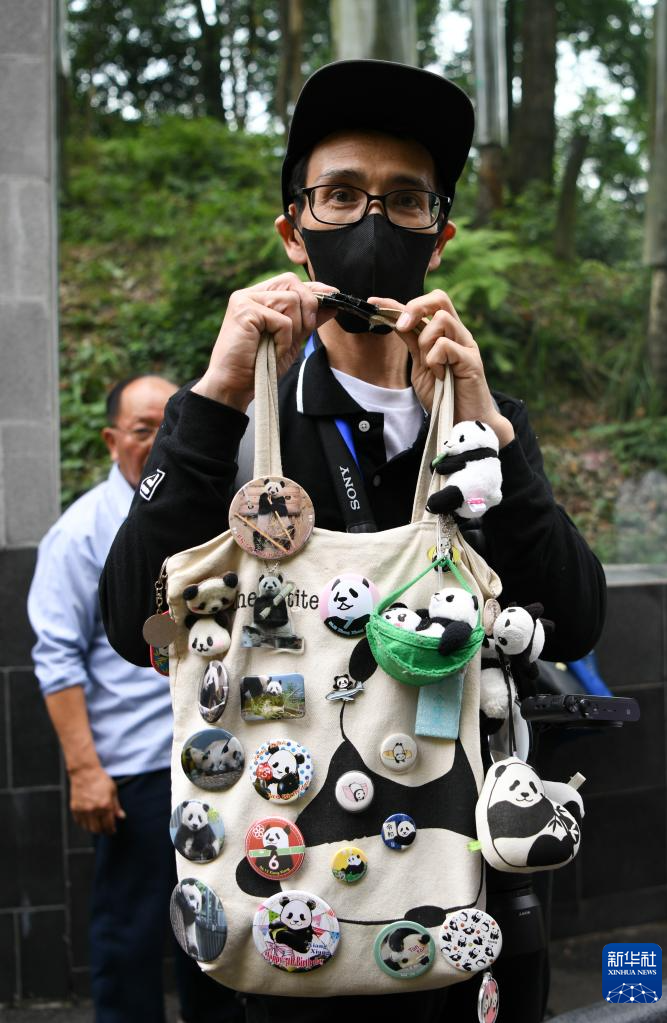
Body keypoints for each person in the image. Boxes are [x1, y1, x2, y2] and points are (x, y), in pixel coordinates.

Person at [100, 62, 606, 1023]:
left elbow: (577, 618)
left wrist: (493, 434)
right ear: (294, 230)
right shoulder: (241, 431)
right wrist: (212, 398)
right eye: (340, 194)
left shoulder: (482, 428)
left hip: (462, 912)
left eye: (406, 199)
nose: (373, 221)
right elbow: (138, 624)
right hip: (274, 911)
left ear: (439, 237)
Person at [28, 375, 243, 1023]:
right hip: (138, 772)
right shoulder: (80, 532)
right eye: (142, 429)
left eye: (165, 427)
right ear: (111, 439)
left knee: (216, 928)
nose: (154, 442)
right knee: (130, 933)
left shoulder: (215, 512)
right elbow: (56, 657)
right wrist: (84, 770)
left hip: (216, 764)